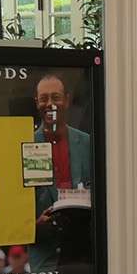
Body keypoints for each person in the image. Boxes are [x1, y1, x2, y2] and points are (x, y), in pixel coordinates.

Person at [32, 73, 93, 216]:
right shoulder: (28, 145)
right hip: (44, 229)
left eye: (56, 97)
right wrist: (35, 224)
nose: (49, 103)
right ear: (37, 103)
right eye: (43, 99)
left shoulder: (87, 143)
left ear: (67, 100)